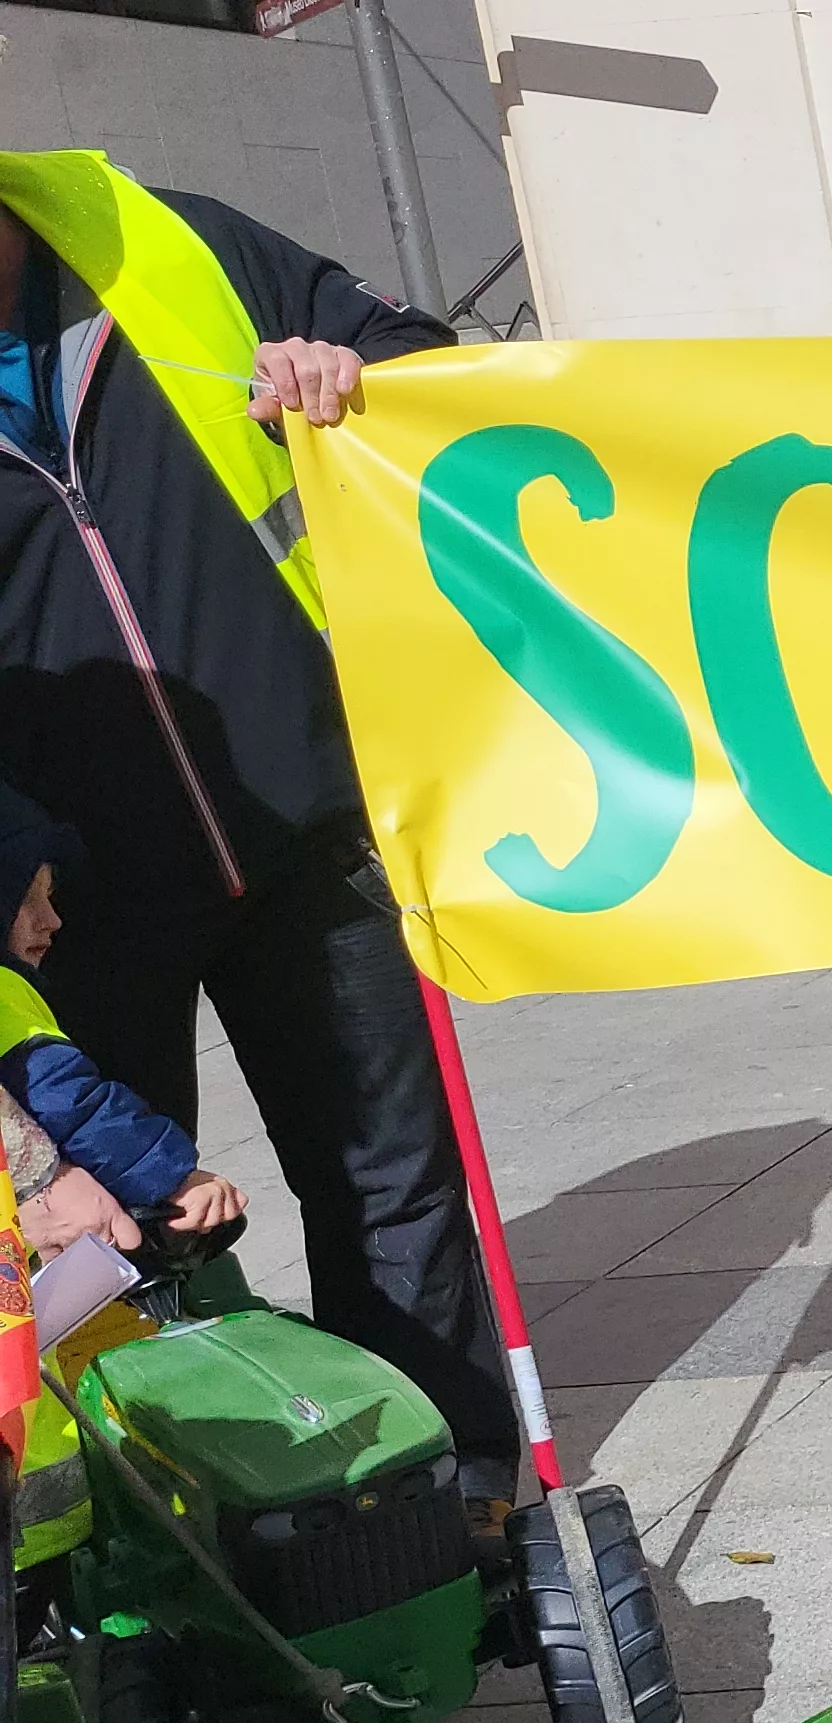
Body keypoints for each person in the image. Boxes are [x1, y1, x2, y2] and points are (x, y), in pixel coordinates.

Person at [0, 155, 517, 1525]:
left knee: (393, 1188)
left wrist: (350, 372)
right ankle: (190, 1556)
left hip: (313, 830)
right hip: (72, 905)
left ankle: (448, 1505)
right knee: (117, 1232)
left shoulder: (166, 237)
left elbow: (429, 371)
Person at [0, 790, 241, 1248]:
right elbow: (72, 1101)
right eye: (26, 901)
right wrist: (174, 1180)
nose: (52, 920)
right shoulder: (4, 992)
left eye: (50, 898)